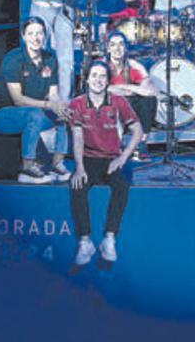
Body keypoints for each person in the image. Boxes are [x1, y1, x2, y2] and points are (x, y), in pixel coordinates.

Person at [68, 61, 142, 266]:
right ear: (87, 79)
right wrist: (80, 167)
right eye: (94, 75)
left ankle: (109, 239)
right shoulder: (77, 104)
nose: (98, 80)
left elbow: (138, 131)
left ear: (108, 81)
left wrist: (122, 157)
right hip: (89, 158)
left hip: (112, 158)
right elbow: (77, 138)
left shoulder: (118, 102)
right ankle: (85, 241)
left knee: (122, 186)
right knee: (77, 186)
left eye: (102, 76)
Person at [0, 17, 71, 184]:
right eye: (31, 34)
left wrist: (59, 105)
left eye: (40, 33)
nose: (36, 38)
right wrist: (49, 105)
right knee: (34, 114)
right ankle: (27, 168)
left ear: (45, 36)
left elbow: (53, 94)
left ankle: (57, 164)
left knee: (64, 115)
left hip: (35, 113)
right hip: (3, 115)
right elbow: (18, 100)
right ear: (24, 36)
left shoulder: (50, 58)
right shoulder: (13, 59)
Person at [105, 32, 158, 162]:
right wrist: (135, 89)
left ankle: (140, 144)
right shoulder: (102, 65)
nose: (117, 48)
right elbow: (104, 89)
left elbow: (150, 91)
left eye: (121, 44)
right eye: (113, 45)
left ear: (126, 48)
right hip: (107, 105)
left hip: (128, 104)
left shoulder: (134, 66)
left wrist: (126, 88)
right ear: (108, 48)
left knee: (149, 100)